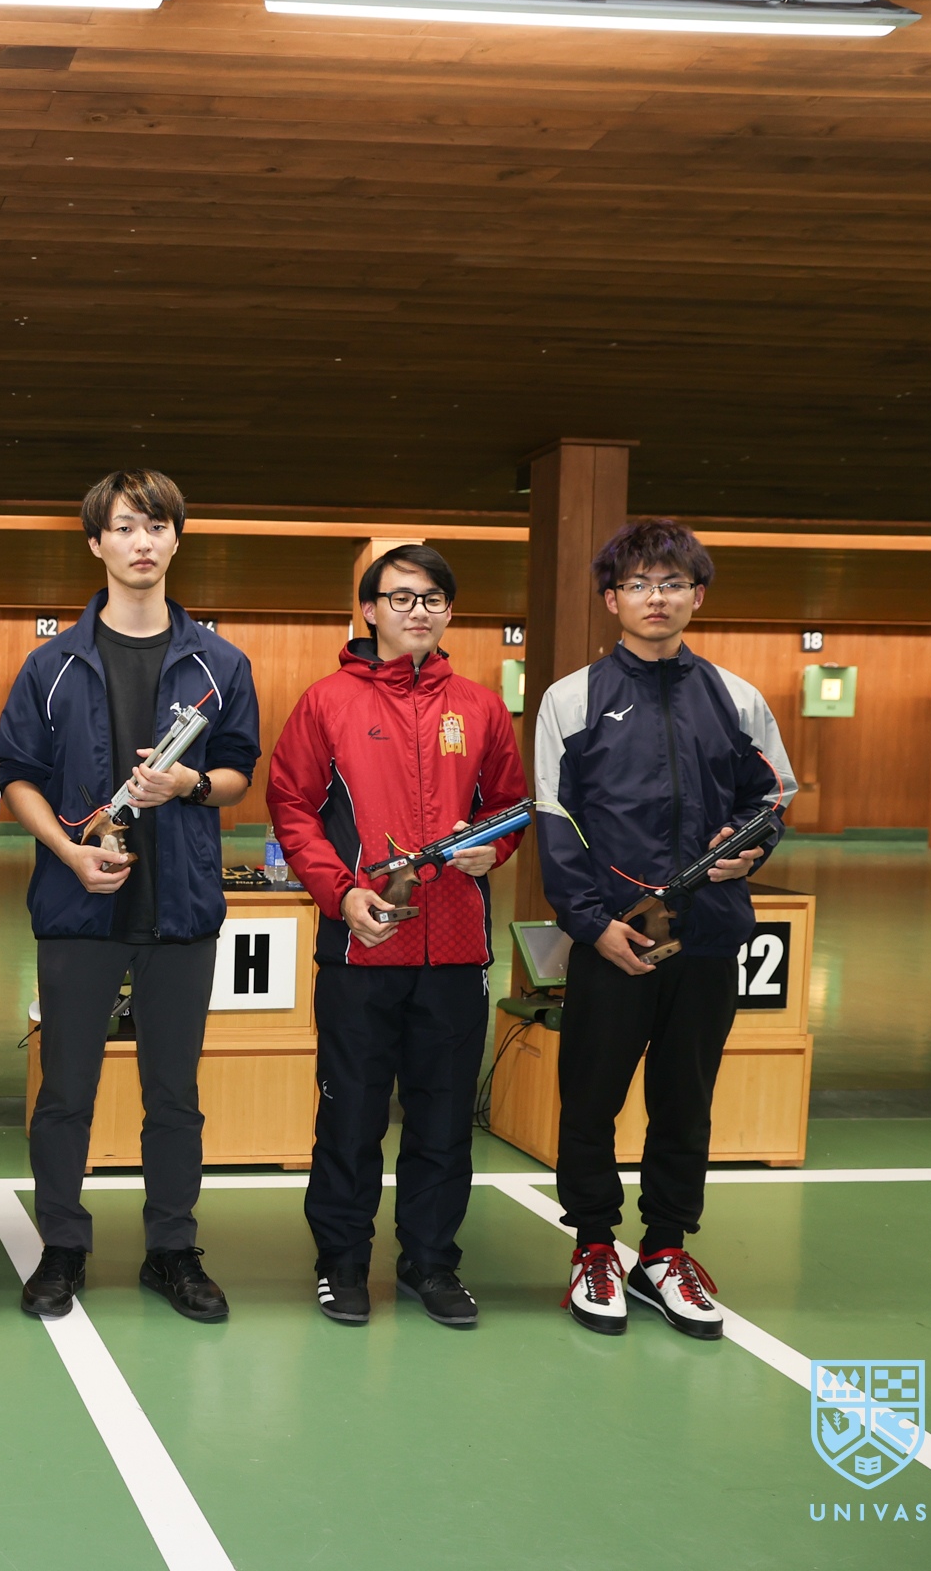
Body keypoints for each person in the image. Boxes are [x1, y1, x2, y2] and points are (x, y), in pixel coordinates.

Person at [0, 470, 260, 1324]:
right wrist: (69, 852)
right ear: (96, 543)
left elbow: (238, 773)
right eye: (124, 527)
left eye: (156, 526)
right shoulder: (51, 665)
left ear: (177, 538)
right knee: (65, 1090)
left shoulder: (220, 664)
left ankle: (172, 1250)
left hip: (180, 909)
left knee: (173, 1094)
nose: (141, 542)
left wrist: (190, 784)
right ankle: (62, 1247)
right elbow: (17, 776)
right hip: (78, 908)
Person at [533, 517, 795, 1341]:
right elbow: (555, 820)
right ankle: (594, 1247)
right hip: (614, 940)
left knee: (686, 1102)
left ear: (697, 597)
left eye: (673, 584)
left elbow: (772, 797)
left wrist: (747, 850)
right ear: (612, 599)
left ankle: (666, 1250)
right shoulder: (571, 699)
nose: (657, 598)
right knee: (591, 1100)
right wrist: (592, 925)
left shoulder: (737, 698)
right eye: (640, 584)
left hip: (709, 937)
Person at [267, 544, 527, 1330]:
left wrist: (493, 850)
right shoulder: (326, 702)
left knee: (444, 1119)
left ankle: (431, 1263)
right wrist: (339, 892)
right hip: (361, 945)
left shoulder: (480, 708)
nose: (419, 611)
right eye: (402, 597)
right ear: (370, 610)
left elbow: (509, 805)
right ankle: (342, 1262)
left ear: (449, 612)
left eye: (434, 598)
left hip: (456, 949)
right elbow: (292, 807)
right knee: (350, 1116)